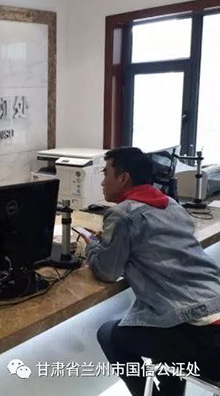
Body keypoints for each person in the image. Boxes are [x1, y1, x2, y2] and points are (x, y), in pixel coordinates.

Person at [77, 147, 220, 396]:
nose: (102, 182)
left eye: (106, 173)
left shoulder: (122, 215)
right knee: (159, 327)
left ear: (124, 178)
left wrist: (92, 247)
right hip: (212, 312)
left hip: (206, 340)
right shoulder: (172, 205)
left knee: (109, 334)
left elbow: (107, 271)